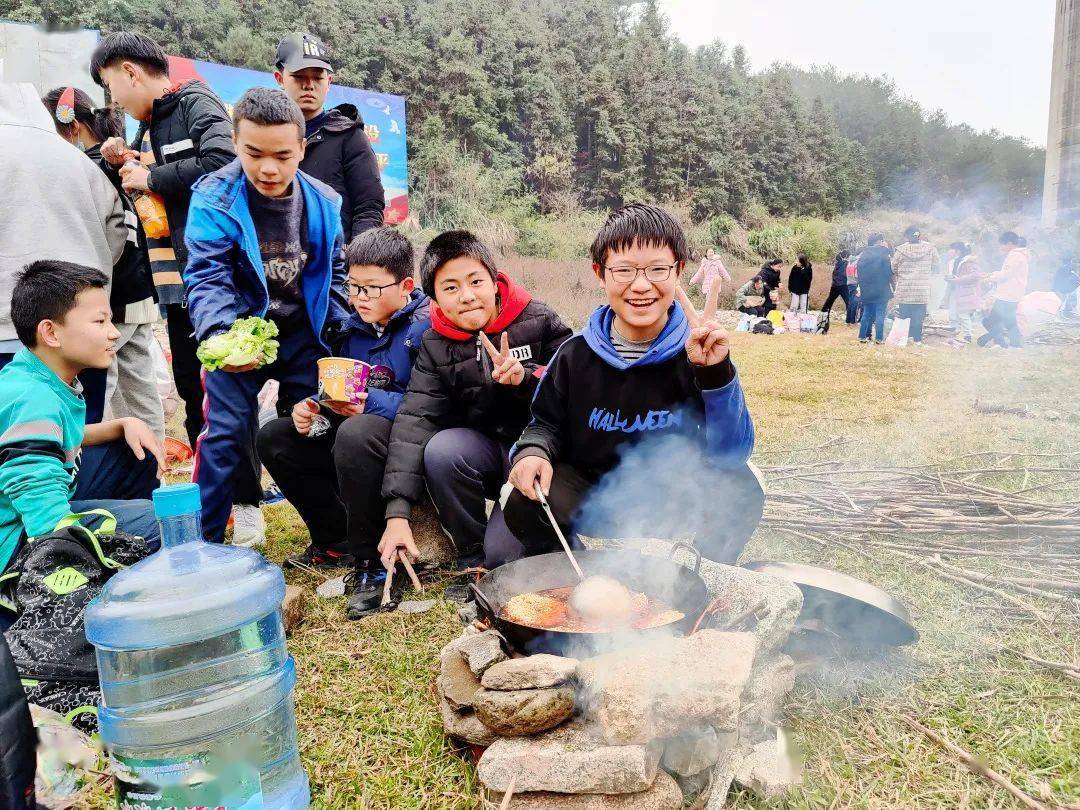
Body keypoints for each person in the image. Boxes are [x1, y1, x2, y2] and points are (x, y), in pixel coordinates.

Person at [502, 203, 756, 566]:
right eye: (623, 270)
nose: (640, 286)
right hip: (593, 494)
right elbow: (544, 424)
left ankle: (697, 579)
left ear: (679, 271)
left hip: (675, 496)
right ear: (600, 274)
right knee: (524, 500)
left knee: (743, 488)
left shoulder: (699, 353)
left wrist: (715, 373)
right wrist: (532, 453)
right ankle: (576, 579)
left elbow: (731, 454)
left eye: (657, 269)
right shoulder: (575, 355)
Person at [88, 33, 267, 540]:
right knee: (195, 393)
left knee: (230, 391)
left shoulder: (195, 104)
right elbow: (136, 183)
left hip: (216, 279)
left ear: (130, 71)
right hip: (177, 286)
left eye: (110, 87)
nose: (114, 100)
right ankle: (217, 504)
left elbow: (222, 165)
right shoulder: (143, 129)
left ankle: (249, 504)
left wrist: (153, 176)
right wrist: (118, 159)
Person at [183, 87, 351, 543]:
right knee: (223, 434)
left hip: (302, 333)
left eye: (282, 155)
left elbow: (334, 269)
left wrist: (337, 327)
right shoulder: (213, 197)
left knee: (315, 428)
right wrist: (221, 336)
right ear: (236, 143)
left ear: (301, 148)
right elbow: (206, 275)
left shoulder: (325, 202)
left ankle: (337, 535)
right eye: (254, 153)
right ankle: (204, 544)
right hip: (239, 329)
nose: (269, 168)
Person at [257, 227, 430, 619]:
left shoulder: (425, 327)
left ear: (405, 284)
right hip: (357, 434)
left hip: (407, 442)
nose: (358, 298)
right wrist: (314, 409)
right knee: (275, 436)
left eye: (371, 288)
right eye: (352, 287)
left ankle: (372, 563)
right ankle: (335, 540)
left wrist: (369, 403)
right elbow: (340, 389)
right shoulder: (351, 328)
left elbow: (428, 406)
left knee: (357, 431)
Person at [377, 231, 572, 574]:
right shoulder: (434, 343)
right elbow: (414, 419)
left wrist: (524, 379)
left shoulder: (537, 318)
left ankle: (544, 538)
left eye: (475, 281)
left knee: (506, 561)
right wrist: (397, 512)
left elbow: (573, 384)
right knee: (441, 448)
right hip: (485, 451)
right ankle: (471, 555)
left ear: (495, 282)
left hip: (538, 454)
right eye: (450, 288)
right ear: (434, 298)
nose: (467, 297)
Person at [0, 261, 164, 582]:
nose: (114, 332)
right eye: (100, 321)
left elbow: (52, 441)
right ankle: (98, 577)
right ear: (50, 332)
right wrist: (66, 560)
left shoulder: (40, 375)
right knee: (160, 525)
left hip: (36, 509)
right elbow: (37, 497)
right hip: (16, 538)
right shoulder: (32, 396)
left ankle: (115, 560)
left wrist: (121, 424)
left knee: (132, 449)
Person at [0, 83, 126, 430]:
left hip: (6, 328)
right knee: (79, 436)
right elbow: (117, 229)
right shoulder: (79, 161)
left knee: (12, 442)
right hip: (79, 330)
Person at [41, 87, 164, 440]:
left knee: (99, 387)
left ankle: (107, 464)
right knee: (137, 387)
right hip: (137, 288)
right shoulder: (115, 160)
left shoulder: (88, 166)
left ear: (72, 126)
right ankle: (149, 467)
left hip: (111, 293)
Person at [274, 33, 386, 244]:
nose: (309, 85)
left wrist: (352, 265)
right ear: (280, 79)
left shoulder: (351, 137)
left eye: (317, 77)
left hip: (332, 269)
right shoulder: (267, 138)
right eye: (299, 76)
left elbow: (369, 209)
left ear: (329, 82)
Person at [978, 232, 1030, 349]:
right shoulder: (1020, 255)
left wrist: (989, 278)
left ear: (1010, 243)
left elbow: (1006, 275)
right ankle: (1009, 344)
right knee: (1004, 320)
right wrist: (992, 274)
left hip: (1008, 294)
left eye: (1002, 244)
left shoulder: (1015, 256)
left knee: (993, 321)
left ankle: (1006, 344)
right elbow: (1007, 273)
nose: (1001, 247)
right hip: (1012, 293)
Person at [891, 225, 940, 345]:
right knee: (919, 315)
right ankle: (917, 339)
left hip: (905, 288)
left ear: (907, 236)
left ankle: (905, 338)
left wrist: (901, 275)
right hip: (922, 289)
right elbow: (936, 265)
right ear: (919, 235)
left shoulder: (900, 250)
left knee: (904, 315)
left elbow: (893, 268)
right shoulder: (931, 248)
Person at [944, 243, 983, 346]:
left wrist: (959, 280)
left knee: (963, 314)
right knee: (954, 312)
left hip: (966, 291)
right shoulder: (955, 261)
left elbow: (976, 276)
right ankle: (955, 333)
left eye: (952, 249)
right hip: (956, 290)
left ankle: (967, 336)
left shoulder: (969, 262)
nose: (949, 251)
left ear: (958, 250)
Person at [857, 233, 893, 344]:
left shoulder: (863, 255)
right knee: (880, 314)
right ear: (878, 241)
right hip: (881, 289)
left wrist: (863, 287)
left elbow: (859, 272)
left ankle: (862, 337)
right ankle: (879, 339)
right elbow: (888, 273)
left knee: (866, 313)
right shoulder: (884, 254)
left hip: (867, 289)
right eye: (882, 240)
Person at [822, 249, 852, 320]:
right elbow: (846, 275)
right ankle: (850, 320)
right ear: (847, 256)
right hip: (843, 285)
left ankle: (823, 316)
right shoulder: (847, 264)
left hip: (835, 285)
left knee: (829, 301)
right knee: (849, 302)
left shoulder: (837, 264)